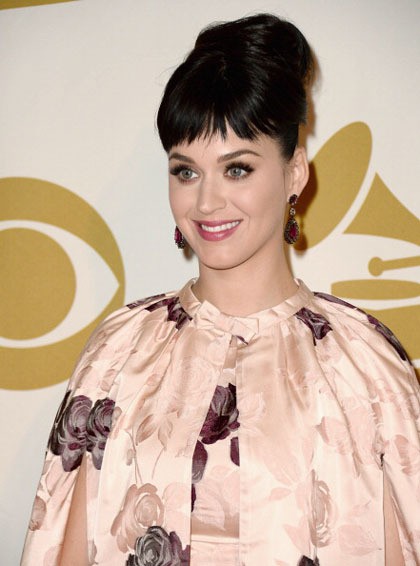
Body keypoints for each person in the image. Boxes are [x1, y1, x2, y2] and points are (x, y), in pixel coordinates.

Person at [21, 13, 419, 566]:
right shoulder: (120, 354)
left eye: (237, 170)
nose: (206, 203)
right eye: (186, 172)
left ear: (295, 172)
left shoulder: (364, 366)